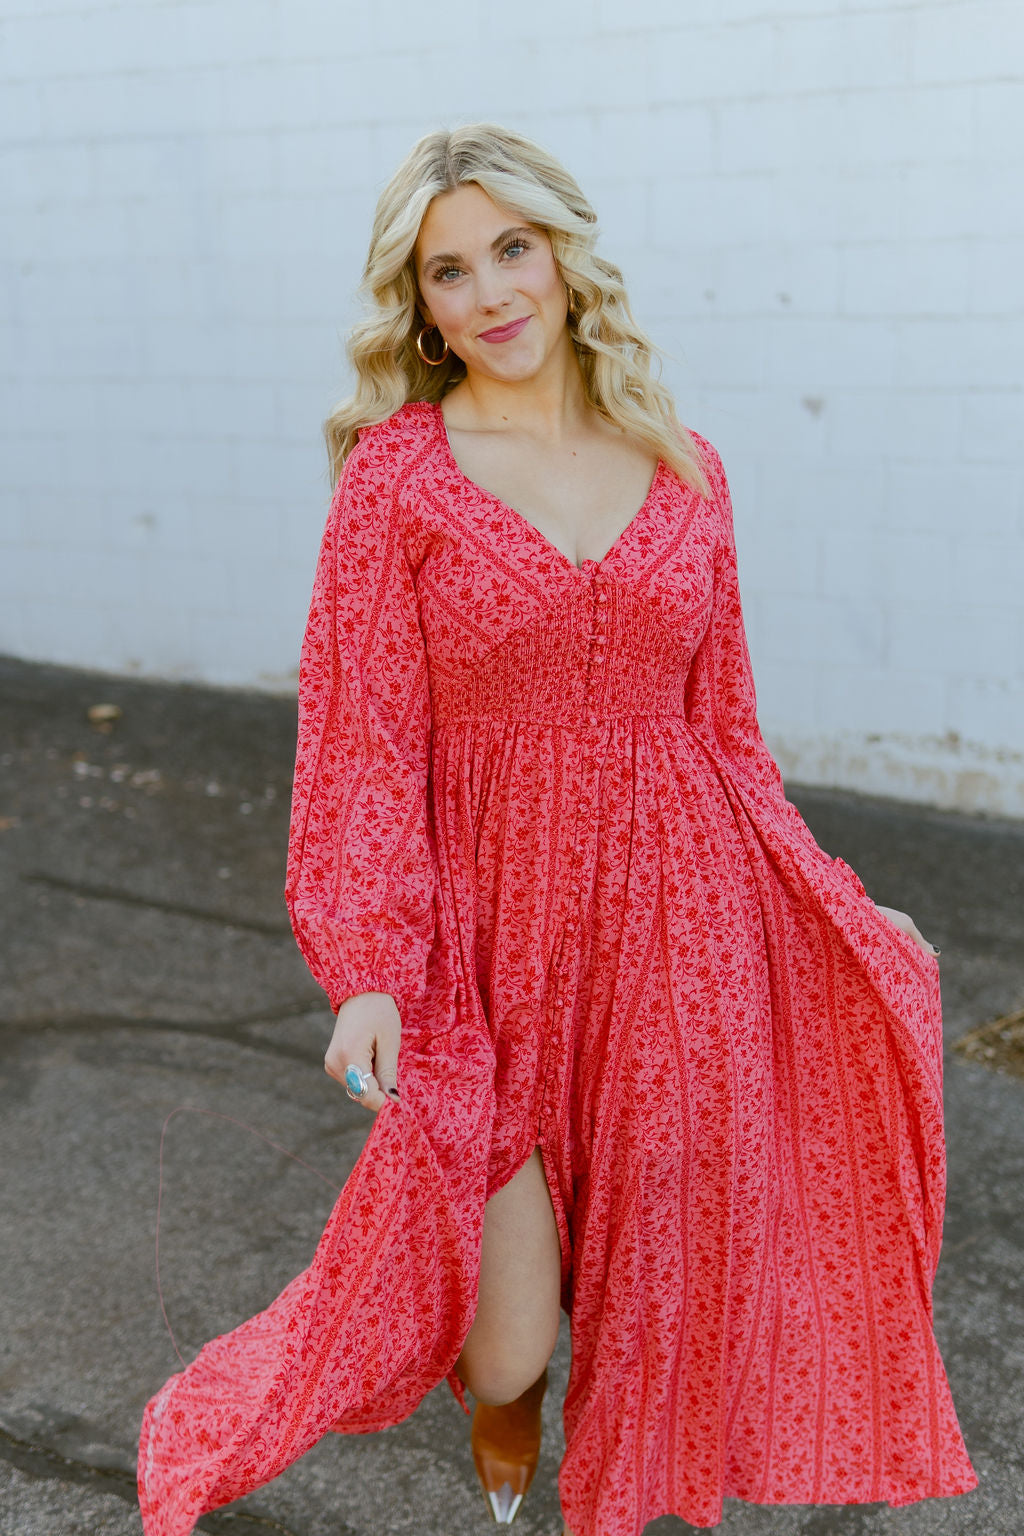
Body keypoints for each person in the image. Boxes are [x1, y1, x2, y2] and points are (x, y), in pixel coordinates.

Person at [137, 122, 978, 1536]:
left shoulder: (689, 464)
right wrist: (367, 969)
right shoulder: (398, 480)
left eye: (509, 250)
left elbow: (731, 739)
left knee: (665, 1273)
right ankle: (506, 1414)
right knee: (513, 1329)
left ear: (566, 255)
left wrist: (834, 897)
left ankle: (603, 1506)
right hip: (485, 942)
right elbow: (360, 745)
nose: (488, 295)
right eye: (447, 272)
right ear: (421, 307)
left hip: (682, 927)